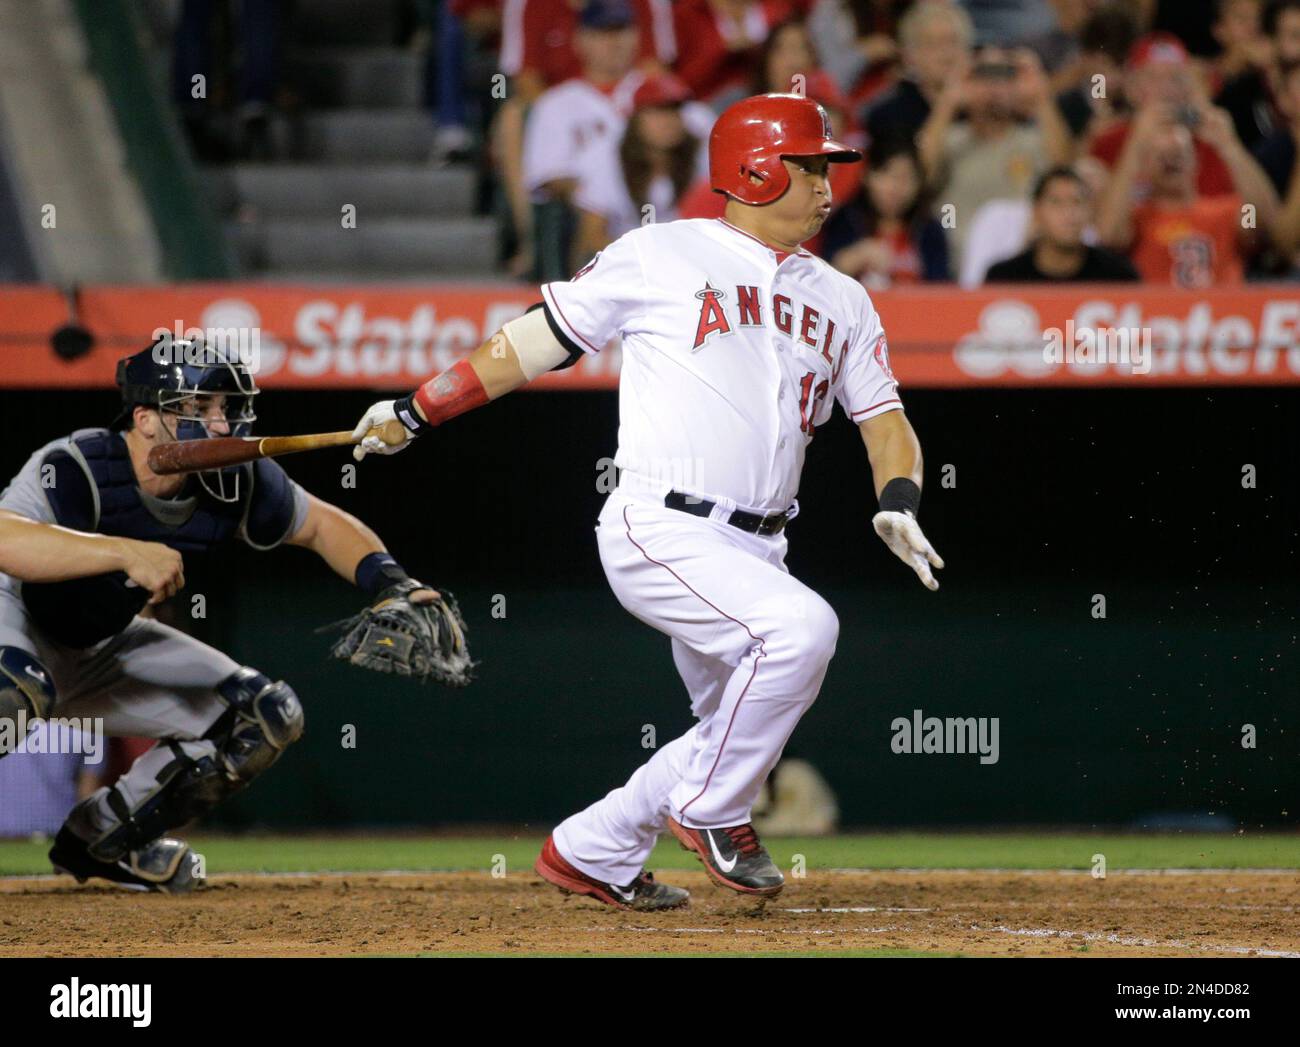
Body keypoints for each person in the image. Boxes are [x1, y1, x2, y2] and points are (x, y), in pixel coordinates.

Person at [350, 92, 943, 910]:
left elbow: (885, 421)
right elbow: (529, 342)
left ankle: (592, 849)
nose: (827, 184)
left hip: (760, 546)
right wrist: (418, 409)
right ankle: (710, 812)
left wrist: (902, 499)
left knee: (726, 733)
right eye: (811, 166)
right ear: (756, 168)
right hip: (661, 522)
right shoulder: (663, 251)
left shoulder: (843, 296)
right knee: (803, 630)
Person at [0, 340, 440, 892]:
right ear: (145, 419)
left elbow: (322, 525)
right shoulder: (78, 464)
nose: (220, 422)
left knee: (263, 717)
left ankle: (102, 840)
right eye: (198, 407)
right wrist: (120, 550)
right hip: (16, 619)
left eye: (226, 408)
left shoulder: (237, 480)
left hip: (96, 645)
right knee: (13, 690)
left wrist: (393, 584)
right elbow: (6, 540)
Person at [918, 44, 1075, 275]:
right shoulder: (950, 140)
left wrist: (1040, 97)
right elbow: (917, 174)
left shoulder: (1033, 142)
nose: (993, 86)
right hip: (955, 273)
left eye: (1004, 75)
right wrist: (948, 100)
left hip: (1022, 273)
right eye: (983, 75)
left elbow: (1064, 173)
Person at [1096, 103, 1280, 286]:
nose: (1171, 163)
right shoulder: (1136, 218)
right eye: (1162, 157)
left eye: (1178, 154)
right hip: (1157, 312)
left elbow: (1265, 224)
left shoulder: (1226, 211)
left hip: (1222, 311)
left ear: (1196, 159)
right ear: (1143, 165)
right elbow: (1109, 236)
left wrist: (1229, 145)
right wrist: (1135, 144)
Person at [573, 75, 703, 258]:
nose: (668, 121)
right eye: (657, 112)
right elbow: (592, 236)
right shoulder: (608, 158)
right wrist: (643, 259)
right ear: (635, 119)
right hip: (624, 263)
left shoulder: (701, 156)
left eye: (674, 111)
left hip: (689, 260)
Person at [822, 135, 949, 286]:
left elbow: (940, 287)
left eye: (906, 178)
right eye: (887, 175)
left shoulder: (930, 229)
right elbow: (823, 281)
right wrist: (856, 256)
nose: (895, 188)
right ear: (867, 175)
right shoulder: (844, 220)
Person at [984, 166, 1140, 281]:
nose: (1069, 213)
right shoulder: (1004, 278)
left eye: (1077, 202)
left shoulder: (1118, 277)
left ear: (1089, 211)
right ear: (1036, 213)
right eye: (1056, 202)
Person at [861, 0, 975, 145]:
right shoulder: (889, 114)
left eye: (953, 42)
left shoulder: (983, 105)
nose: (946, 54)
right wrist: (947, 105)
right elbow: (918, 165)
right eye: (933, 44)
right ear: (910, 56)